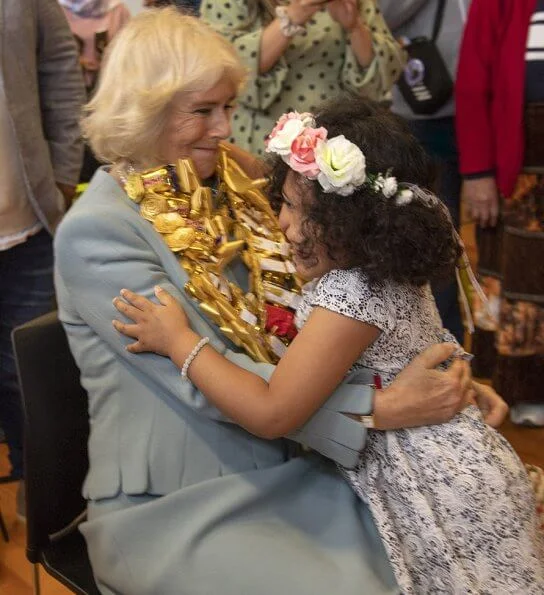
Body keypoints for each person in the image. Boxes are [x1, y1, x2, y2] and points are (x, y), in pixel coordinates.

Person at [54, 9, 507, 594]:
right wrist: (384, 406)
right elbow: (201, 373)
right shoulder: (97, 231)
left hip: (297, 460)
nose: (224, 129)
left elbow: (316, 323)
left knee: (450, 547)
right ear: (145, 109)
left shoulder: (229, 186)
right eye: (203, 111)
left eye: (229, 108)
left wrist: (440, 377)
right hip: (180, 496)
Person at [114, 97, 544, 593]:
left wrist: (181, 343)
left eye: (295, 209)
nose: (281, 223)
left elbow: (275, 413)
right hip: (462, 465)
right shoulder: (385, 263)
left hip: (439, 489)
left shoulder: (351, 294)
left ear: (349, 220)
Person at [0, 0, 84, 500]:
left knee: (25, 377)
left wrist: (61, 176)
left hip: (27, 223)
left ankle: (39, 504)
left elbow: (59, 69)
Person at [456, 0, 544, 426]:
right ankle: (526, 389)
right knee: (523, 277)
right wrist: (478, 171)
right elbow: (474, 81)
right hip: (521, 157)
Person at [200, 0, 405, 155]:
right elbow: (223, 69)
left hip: (333, 143)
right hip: (257, 144)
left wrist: (355, 27)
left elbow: (383, 76)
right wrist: (293, 17)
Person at [380, 0, 470, 344]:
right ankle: (446, 346)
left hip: (487, 102)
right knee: (437, 237)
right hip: (423, 107)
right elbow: (379, 14)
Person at [59, 0, 131, 182]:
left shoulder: (117, 11)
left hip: (107, 98)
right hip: (65, 97)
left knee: (101, 149)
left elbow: (130, 56)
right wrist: (79, 64)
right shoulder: (53, 9)